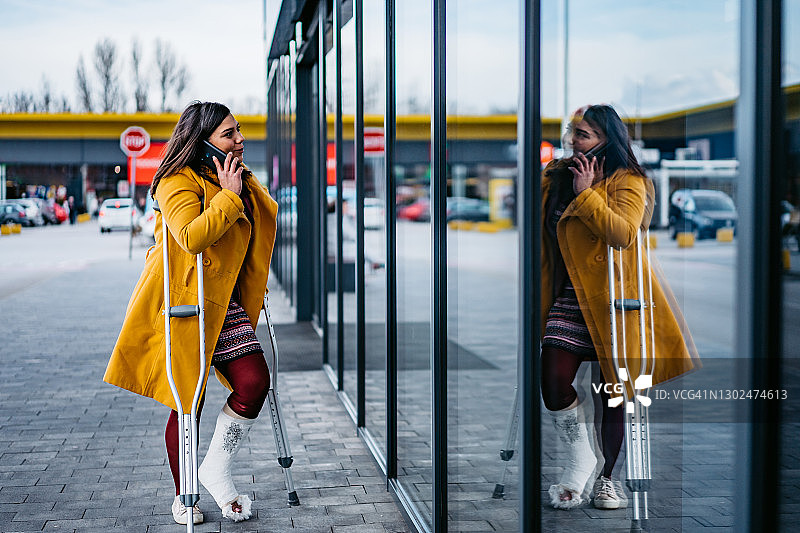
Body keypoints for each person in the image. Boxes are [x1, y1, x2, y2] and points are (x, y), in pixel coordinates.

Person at [104, 101, 278, 524]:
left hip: (225, 302)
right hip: (186, 303)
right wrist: (229, 197)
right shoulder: (175, 181)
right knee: (188, 401)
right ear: (203, 142)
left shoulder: (234, 175)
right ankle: (185, 496)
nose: (240, 139)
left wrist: (238, 190)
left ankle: (215, 468)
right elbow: (190, 236)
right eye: (229, 134)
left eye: (238, 131)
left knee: (254, 382)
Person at [540, 104, 699, 510]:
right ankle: (583, 458)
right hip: (570, 297)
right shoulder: (556, 176)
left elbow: (624, 234)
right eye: (573, 131)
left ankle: (608, 480)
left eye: (585, 134)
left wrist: (588, 195)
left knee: (611, 393)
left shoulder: (630, 181)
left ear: (607, 140)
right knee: (554, 382)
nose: (574, 140)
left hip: (616, 302)